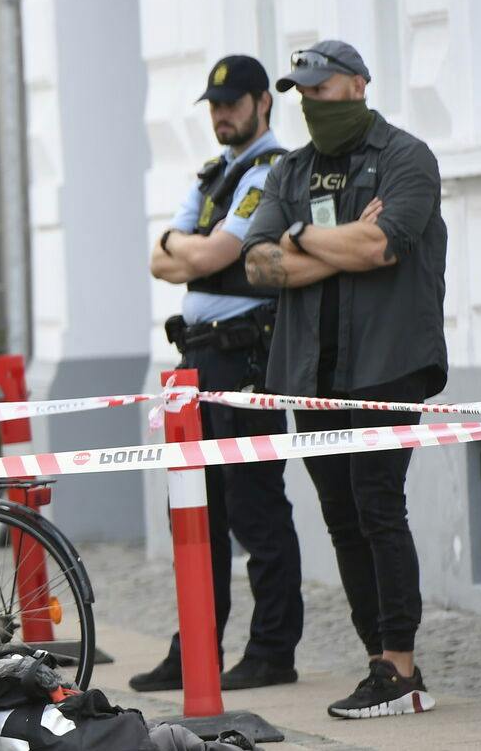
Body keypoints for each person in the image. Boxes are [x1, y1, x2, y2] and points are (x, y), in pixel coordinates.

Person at [243, 40, 446, 720]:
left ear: (359, 84)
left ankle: (401, 665)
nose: (310, 104)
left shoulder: (407, 157)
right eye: (301, 92)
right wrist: (320, 242)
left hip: (388, 364)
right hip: (311, 371)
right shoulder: (291, 170)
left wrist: (299, 241)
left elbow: (383, 244)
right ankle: (376, 663)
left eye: (321, 90)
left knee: (378, 503)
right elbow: (258, 266)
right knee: (341, 515)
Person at [132, 56, 303, 694]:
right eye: (214, 103)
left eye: (232, 102)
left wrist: (186, 251)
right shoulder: (213, 177)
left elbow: (209, 252)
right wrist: (187, 251)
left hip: (246, 360)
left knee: (256, 509)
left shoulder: (270, 171)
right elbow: (160, 258)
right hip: (197, 362)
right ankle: (194, 648)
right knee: (194, 515)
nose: (221, 113)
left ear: (263, 103)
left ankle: (272, 650)